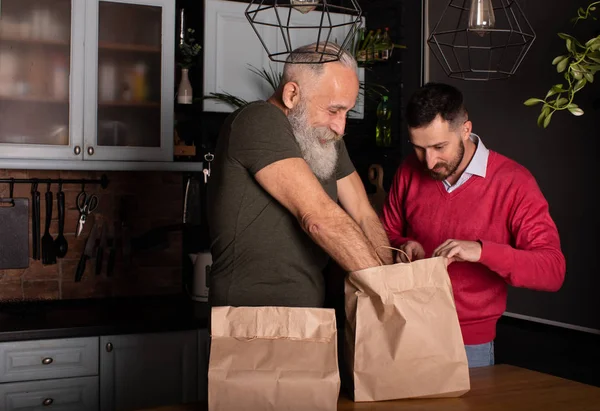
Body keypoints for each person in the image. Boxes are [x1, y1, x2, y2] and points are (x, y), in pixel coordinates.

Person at [381, 82, 566, 368]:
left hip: (469, 343)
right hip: (403, 325)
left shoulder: (514, 182)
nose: (428, 161)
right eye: (418, 148)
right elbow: (384, 234)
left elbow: (552, 270)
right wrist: (402, 244)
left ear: (465, 130)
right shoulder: (409, 169)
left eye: (439, 147)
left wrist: (481, 251)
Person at [207, 42, 392, 308]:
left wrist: (394, 277)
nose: (341, 126)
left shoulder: (324, 136)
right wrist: (388, 294)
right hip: (251, 317)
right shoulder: (258, 120)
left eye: (346, 112)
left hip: (309, 312)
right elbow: (319, 218)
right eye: (333, 110)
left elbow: (362, 212)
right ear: (292, 94)